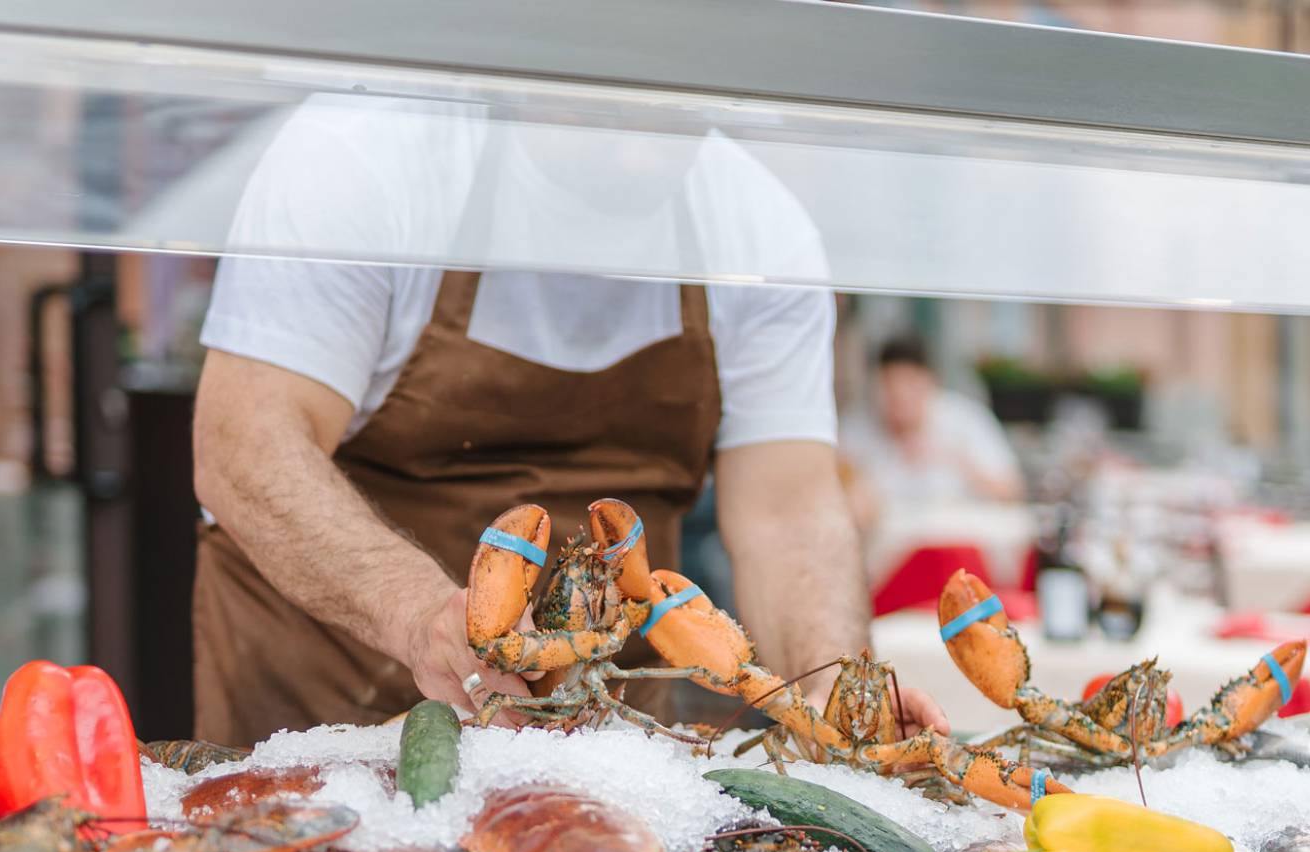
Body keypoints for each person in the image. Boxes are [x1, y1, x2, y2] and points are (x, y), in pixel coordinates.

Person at [189, 95, 947, 745]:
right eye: (603, 111)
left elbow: (788, 511)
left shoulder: (757, 226)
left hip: (613, 751)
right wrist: (421, 616)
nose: (635, 159)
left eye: (671, 120)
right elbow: (245, 443)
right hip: (332, 724)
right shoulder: (368, 152)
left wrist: (827, 690)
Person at [840, 336, 1026, 534]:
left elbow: (1012, 491)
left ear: (930, 381)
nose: (900, 394)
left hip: (959, 542)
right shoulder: (856, 430)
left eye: (910, 382)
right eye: (890, 384)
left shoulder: (966, 419)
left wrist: (953, 460)